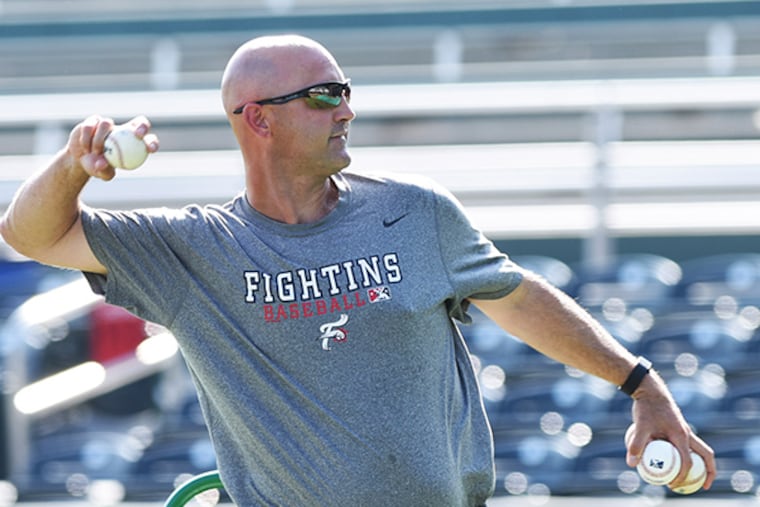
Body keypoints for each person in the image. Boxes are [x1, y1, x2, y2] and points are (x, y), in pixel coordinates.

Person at [0, 34, 715, 506]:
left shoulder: (417, 212)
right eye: (321, 95)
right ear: (258, 120)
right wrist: (72, 167)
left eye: (344, 89)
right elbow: (29, 233)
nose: (344, 109)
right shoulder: (196, 250)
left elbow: (517, 297)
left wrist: (640, 383)